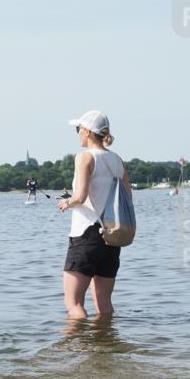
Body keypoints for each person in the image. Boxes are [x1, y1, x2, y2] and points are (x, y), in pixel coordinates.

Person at [58, 110, 132, 319]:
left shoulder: (85, 157)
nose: (77, 133)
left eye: (78, 129)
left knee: (73, 304)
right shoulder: (117, 160)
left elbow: (80, 197)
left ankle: (75, 349)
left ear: (88, 132)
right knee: (104, 304)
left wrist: (66, 202)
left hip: (86, 234)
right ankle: (106, 347)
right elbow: (128, 196)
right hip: (111, 235)